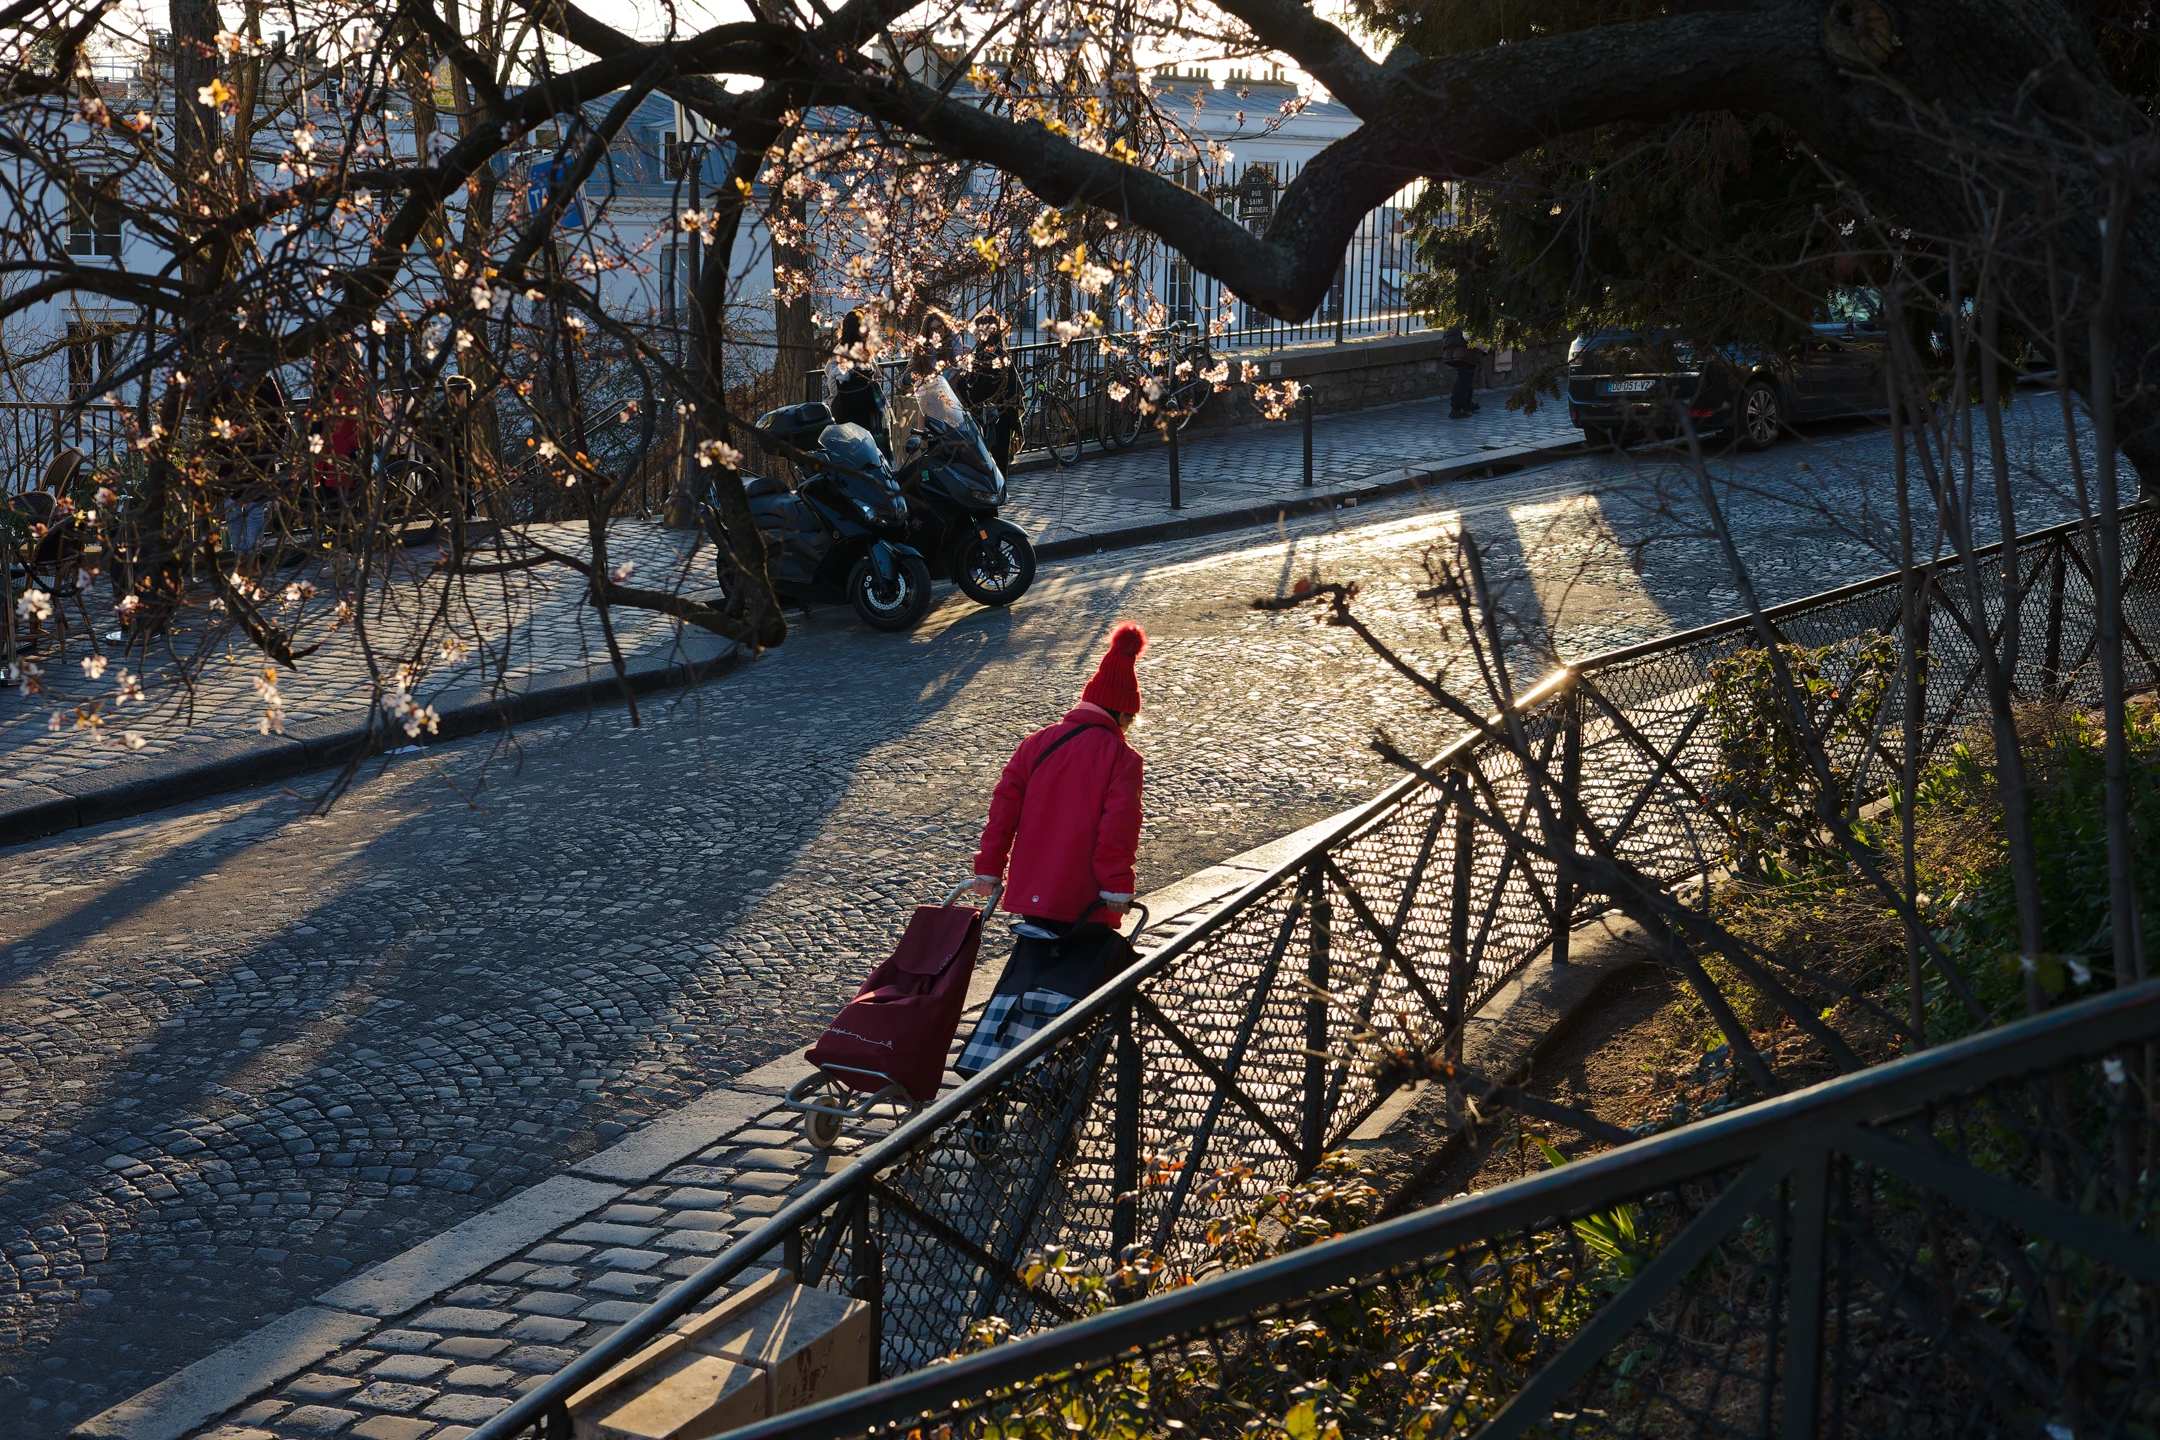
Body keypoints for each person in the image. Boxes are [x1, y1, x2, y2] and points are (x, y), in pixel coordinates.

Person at [970, 623, 1147, 924]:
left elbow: (1003, 810)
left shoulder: (1036, 743)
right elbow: (1119, 825)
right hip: (1084, 897)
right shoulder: (1122, 757)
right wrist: (1116, 887)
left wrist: (989, 868)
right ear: (1122, 714)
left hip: (1032, 889)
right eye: (1129, 721)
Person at [825, 310, 890, 459]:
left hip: (862, 407)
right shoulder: (843, 350)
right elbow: (832, 377)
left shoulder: (863, 350)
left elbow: (877, 375)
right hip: (850, 408)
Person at [961, 310, 1020, 469]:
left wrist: (962, 384)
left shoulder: (988, 356)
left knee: (992, 463)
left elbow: (979, 390)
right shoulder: (999, 352)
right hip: (1003, 413)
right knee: (1000, 463)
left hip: (991, 418)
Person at [1441, 326, 1485, 420]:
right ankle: (1457, 409)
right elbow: (1468, 335)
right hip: (1465, 347)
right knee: (1464, 378)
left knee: (1465, 377)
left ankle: (1466, 404)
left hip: (1454, 343)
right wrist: (1484, 347)